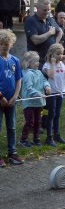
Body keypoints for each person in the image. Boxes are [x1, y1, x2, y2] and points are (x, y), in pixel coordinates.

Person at [0, 29, 23, 166]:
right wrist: (1, 97)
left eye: (6, 43)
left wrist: (15, 96)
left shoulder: (16, 61)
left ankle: (12, 153)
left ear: (11, 44)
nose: (3, 46)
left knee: (12, 127)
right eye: (1, 43)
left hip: (11, 101)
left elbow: (18, 79)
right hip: (1, 100)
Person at [19, 51, 51, 147]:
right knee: (30, 122)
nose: (38, 63)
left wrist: (47, 87)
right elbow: (29, 89)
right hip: (29, 102)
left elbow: (44, 81)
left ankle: (36, 139)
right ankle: (23, 140)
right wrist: (39, 94)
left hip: (39, 103)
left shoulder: (39, 72)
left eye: (38, 61)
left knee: (38, 121)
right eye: (35, 61)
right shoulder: (28, 74)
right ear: (29, 63)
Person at [42, 44, 65, 146]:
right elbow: (50, 75)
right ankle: (49, 137)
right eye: (58, 54)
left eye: (62, 53)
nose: (60, 55)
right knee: (51, 114)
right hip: (51, 93)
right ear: (52, 54)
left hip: (60, 92)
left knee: (57, 114)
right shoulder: (47, 65)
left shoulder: (62, 64)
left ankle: (57, 134)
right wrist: (52, 63)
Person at [24, 0, 63, 68]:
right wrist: (49, 33)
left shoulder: (50, 19)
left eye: (49, 10)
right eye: (44, 10)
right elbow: (35, 40)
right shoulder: (30, 21)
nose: (47, 12)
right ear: (37, 8)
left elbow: (60, 31)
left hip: (51, 60)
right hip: (37, 61)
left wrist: (55, 45)